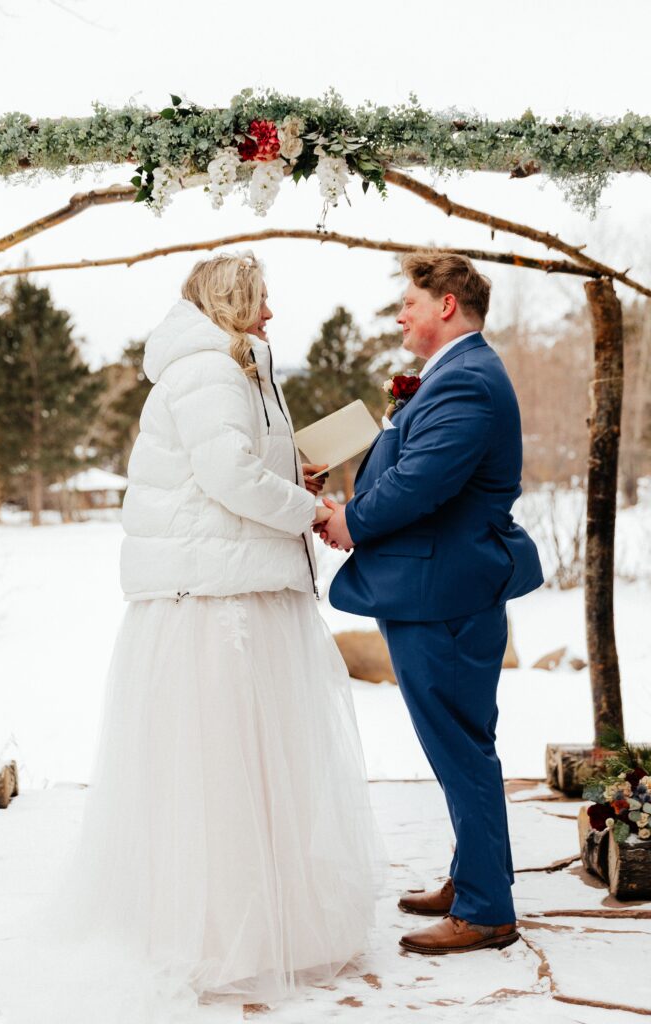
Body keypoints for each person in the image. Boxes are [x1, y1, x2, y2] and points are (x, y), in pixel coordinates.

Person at [0, 253, 381, 1024]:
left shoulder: (235, 370)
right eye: (261, 299)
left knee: (255, 771)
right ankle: (220, 940)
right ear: (230, 303)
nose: (271, 314)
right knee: (218, 774)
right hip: (215, 602)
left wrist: (299, 472)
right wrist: (305, 511)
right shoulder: (207, 374)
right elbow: (227, 478)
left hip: (240, 585)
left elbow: (237, 467)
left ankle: (262, 928)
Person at [316, 251, 544, 956]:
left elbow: (421, 483)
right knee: (462, 744)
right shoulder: (454, 375)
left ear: (446, 304)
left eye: (408, 303)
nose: (399, 315)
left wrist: (351, 520)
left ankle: (485, 910)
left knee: (460, 749)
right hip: (439, 585)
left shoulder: (468, 380)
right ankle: (476, 876)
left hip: (443, 591)